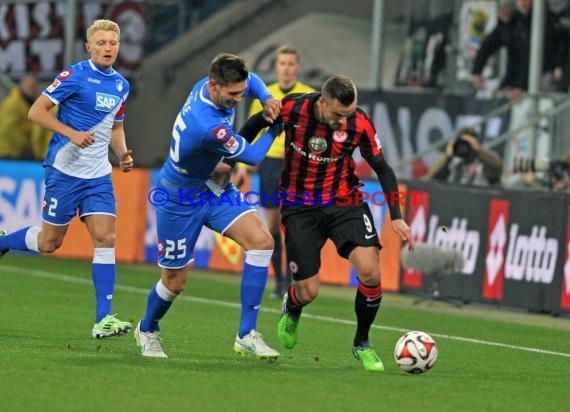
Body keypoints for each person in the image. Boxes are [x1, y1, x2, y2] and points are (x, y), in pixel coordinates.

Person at [240, 75, 416, 372]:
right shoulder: (292, 109)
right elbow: (256, 123)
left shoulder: (359, 122)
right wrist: (231, 161)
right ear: (322, 102)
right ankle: (293, 306)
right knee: (308, 291)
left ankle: (362, 343)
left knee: (371, 272)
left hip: (344, 202)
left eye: (349, 113)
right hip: (299, 208)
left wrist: (397, 216)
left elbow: (383, 169)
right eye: (338, 114)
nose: (344, 120)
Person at [134, 53, 283, 360]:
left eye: (241, 93)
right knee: (174, 282)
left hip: (215, 188)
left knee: (262, 241)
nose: (239, 99)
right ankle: (147, 328)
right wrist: (277, 129)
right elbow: (254, 157)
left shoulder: (209, 85)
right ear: (215, 86)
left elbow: (252, 80)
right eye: (233, 95)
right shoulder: (207, 124)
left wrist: (266, 97)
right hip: (180, 198)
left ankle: (246, 334)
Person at [0, 20, 133, 338]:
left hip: (99, 174)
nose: (107, 48)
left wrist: (123, 154)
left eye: (113, 43)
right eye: (101, 43)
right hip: (64, 172)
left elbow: (115, 126)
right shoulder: (74, 75)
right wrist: (70, 133)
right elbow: (37, 111)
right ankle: (3, 242)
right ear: (89, 46)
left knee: (106, 238)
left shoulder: (121, 85)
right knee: (50, 243)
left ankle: (104, 318)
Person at [235, 45, 314, 299]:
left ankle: (294, 279)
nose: (287, 68)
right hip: (269, 165)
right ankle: (280, 282)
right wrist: (244, 168)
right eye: (282, 63)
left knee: (294, 224)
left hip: (297, 164)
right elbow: (251, 134)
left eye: (291, 63)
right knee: (272, 226)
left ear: (298, 67)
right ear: (277, 66)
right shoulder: (264, 96)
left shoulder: (309, 95)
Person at [472, 0, 568, 98]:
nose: (522, 3)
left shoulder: (546, 19)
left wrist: (520, 86)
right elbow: (488, 46)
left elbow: (531, 57)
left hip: (544, 77)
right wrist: (477, 71)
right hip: (518, 81)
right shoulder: (511, 22)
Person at [426, 127, 503, 187]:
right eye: (462, 143)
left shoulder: (484, 161)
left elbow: (497, 165)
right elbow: (430, 177)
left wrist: (479, 150)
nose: (464, 147)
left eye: (469, 143)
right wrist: (447, 157)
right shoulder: (451, 161)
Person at [0, 74, 51, 160]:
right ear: (21, 86)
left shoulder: (25, 103)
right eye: (30, 86)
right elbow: (6, 130)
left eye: (34, 87)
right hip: (8, 152)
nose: (33, 90)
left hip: (15, 151)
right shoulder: (13, 104)